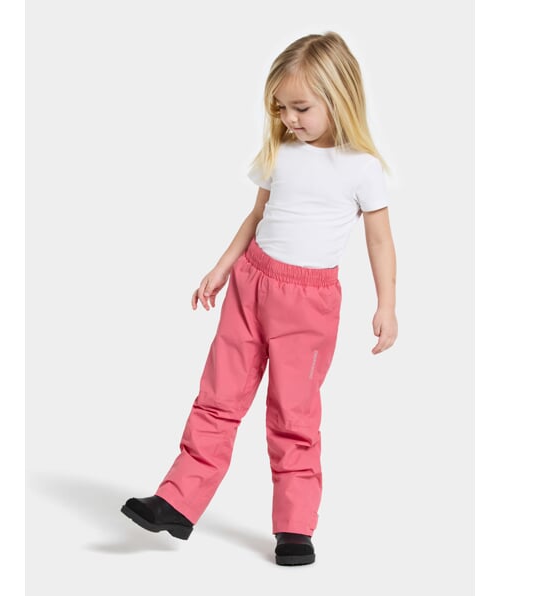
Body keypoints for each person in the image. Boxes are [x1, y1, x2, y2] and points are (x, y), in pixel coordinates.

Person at [121, 30, 398, 566]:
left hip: (310, 306)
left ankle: (295, 527)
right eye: (280, 107)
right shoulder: (280, 153)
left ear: (339, 97)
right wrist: (221, 267)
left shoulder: (362, 167)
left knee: (294, 414)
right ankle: (177, 502)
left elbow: (381, 241)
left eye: (301, 108)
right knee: (217, 396)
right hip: (251, 285)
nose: (289, 118)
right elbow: (256, 217)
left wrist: (386, 305)